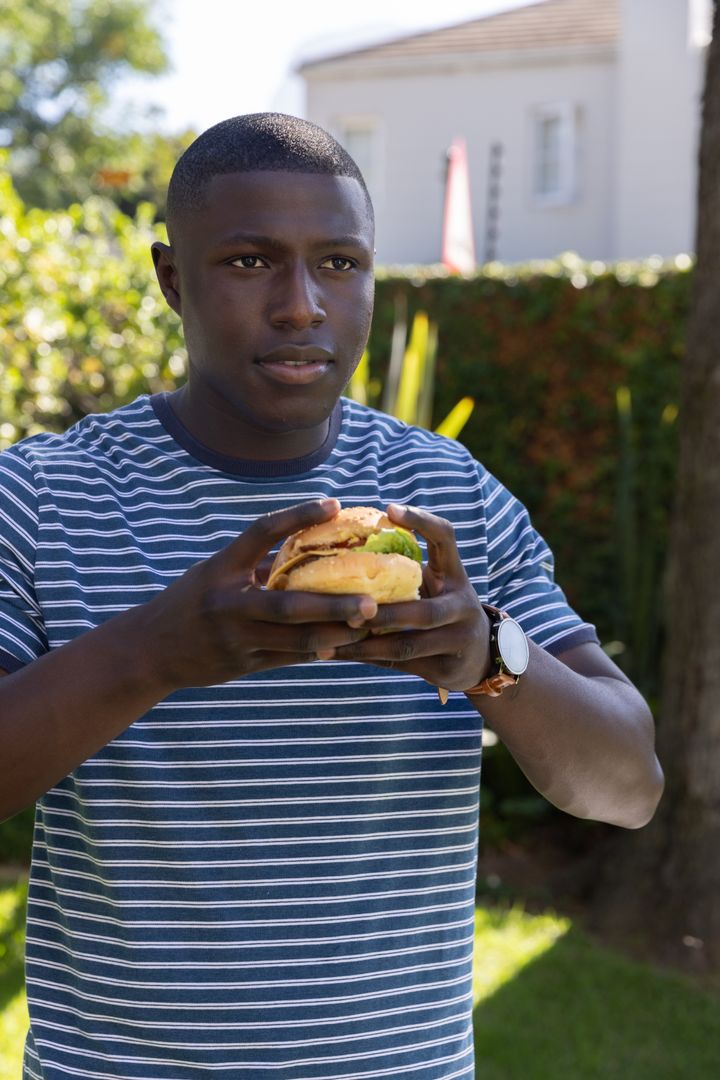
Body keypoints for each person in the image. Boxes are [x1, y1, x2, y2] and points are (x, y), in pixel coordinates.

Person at [0, 113, 663, 1080]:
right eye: (248, 261)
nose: (302, 305)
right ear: (172, 278)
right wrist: (155, 653)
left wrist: (489, 658)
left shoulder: (450, 498)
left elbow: (630, 787)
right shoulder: (43, 499)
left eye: (340, 264)